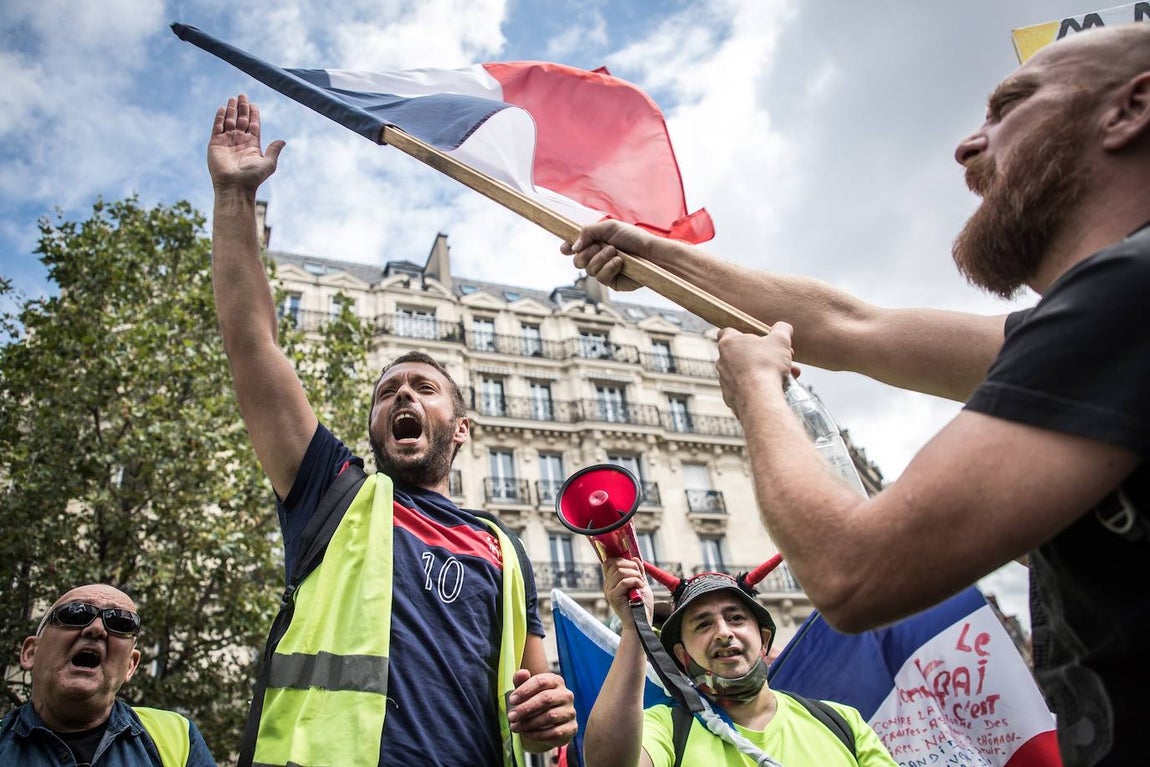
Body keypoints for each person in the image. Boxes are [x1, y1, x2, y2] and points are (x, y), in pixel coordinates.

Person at [564, 23, 1150, 767]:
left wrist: (755, 392)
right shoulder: (1092, 321)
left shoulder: (1127, 298)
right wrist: (659, 261)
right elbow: (848, 325)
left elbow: (850, 570)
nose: (968, 146)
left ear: (1131, 109)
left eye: (1011, 106)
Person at [206, 94, 576, 767]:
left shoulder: (505, 549)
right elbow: (251, 344)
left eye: (423, 386)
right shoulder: (333, 493)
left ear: (461, 427)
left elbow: (535, 698)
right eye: (387, 392)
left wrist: (549, 715)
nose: (402, 391)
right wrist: (234, 197)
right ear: (375, 425)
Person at [584, 558, 896, 767]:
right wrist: (633, 626)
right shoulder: (663, 727)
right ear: (681, 655)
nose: (723, 633)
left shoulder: (843, 722)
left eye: (735, 618)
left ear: (763, 639)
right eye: (703, 624)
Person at [0, 584, 216, 766]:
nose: (96, 629)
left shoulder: (178, 737)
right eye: (76, 613)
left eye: (121, 623)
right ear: (31, 653)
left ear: (131, 665)